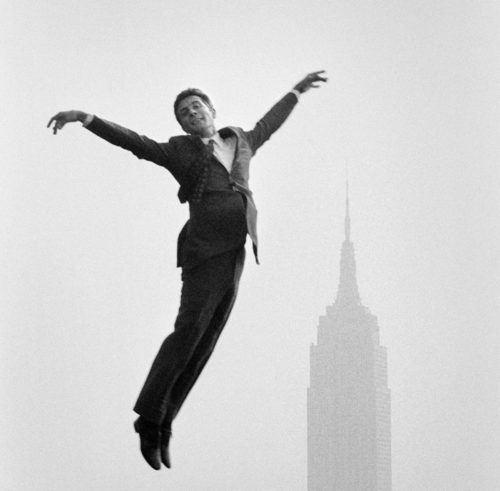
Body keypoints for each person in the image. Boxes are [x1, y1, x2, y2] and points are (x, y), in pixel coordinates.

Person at [47, 70, 327, 470]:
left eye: (197, 106)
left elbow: (270, 122)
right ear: (181, 124)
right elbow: (134, 142)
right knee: (189, 331)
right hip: (203, 250)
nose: (192, 112)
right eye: (184, 112)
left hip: (235, 251)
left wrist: (296, 91)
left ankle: (163, 423)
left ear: (212, 110)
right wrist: (86, 118)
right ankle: (148, 420)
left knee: (205, 342)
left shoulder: (241, 140)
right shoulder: (179, 151)